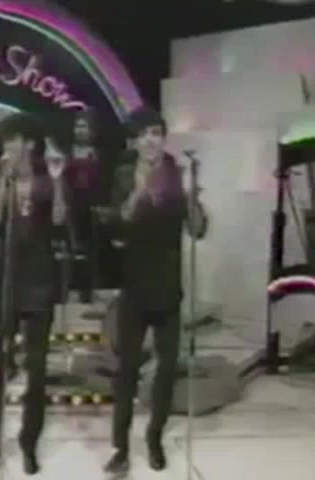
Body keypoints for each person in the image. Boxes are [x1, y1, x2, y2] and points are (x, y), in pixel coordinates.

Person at [100, 107, 207, 474]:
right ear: (135, 140)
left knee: (166, 368)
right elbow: (117, 227)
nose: (151, 140)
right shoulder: (123, 175)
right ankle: (120, 447)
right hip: (134, 284)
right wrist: (138, 192)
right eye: (144, 134)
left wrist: (193, 197)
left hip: (168, 285)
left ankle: (155, 437)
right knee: (127, 369)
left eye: (156, 133)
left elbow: (198, 229)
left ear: (163, 138)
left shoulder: (178, 174)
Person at [0, 114, 67, 477]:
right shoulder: (4, 180)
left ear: (29, 143)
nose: (8, 147)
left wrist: (58, 183)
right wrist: (3, 182)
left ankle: (29, 444)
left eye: (14, 140)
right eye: (6, 141)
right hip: (7, 284)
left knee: (37, 369)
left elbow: (58, 219)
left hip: (39, 282)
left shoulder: (46, 181)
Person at [63, 111, 100, 303]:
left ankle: (87, 290)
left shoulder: (97, 153)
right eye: (78, 126)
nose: (80, 130)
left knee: (90, 250)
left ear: (91, 130)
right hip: (70, 204)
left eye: (84, 127)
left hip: (90, 205)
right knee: (70, 247)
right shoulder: (66, 152)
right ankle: (66, 288)